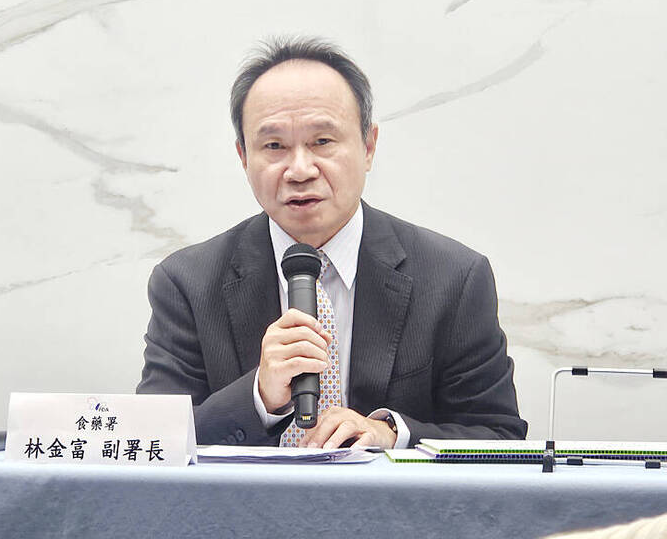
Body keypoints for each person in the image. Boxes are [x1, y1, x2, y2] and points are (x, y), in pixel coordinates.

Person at [137, 37, 527, 448]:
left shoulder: (452, 278)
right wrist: (259, 397)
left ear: (368, 146)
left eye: (322, 141)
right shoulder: (187, 283)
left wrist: (391, 434)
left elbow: (499, 436)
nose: (300, 169)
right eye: (274, 146)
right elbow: (151, 442)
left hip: (391, 512)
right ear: (243, 156)